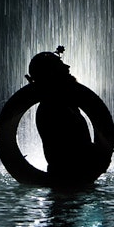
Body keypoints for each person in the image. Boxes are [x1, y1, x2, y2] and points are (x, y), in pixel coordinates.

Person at [26, 46, 101, 187]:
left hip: (71, 179)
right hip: (69, 179)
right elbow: (68, 146)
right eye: (61, 65)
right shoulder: (53, 107)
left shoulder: (60, 103)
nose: (68, 67)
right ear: (51, 73)